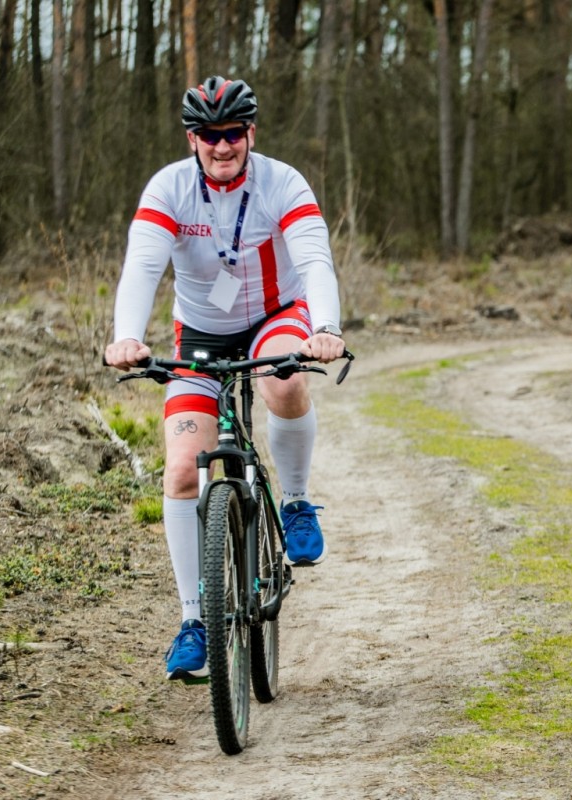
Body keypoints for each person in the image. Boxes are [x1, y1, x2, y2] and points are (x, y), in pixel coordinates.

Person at [104, 76, 345, 681]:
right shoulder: (169, 189)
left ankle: (295, 502)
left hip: (276, 316)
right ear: (192, 139)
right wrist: (127, 336)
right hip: (200, 334)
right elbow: (142, 266)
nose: (222, 146)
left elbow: (314, 259)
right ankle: (195, 622)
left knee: (284, 382)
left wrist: (326, 327)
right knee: (184, 470)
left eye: (232, 133)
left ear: (250, 134)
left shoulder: (282, 183)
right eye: (209, 135)